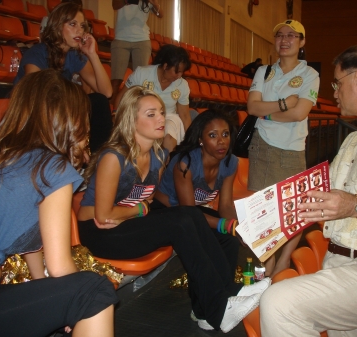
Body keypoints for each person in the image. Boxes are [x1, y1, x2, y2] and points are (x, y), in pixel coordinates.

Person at [77, 86, 270, 333]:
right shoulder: (113, 158)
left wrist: (144, 210)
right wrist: (141, 209)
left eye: (160, 112)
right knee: (180, 222)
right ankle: (220, 307)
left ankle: (220, 301)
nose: (161, 119)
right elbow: (103, 217)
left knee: (191, 217)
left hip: (127, 226)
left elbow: (151, 203)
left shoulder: (158, 156)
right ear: (131, 120)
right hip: (99, 234)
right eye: (151, 114)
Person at [260, 44, 357, 337]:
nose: (334, 92)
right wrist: (271, 236)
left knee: (279, 304)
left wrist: (355, 205)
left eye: (337, 83)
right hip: (338, 265)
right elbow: (317, 202)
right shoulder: (354, 139)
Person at [0, 69, 118, 337]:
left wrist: (48, 292)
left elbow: (29, 237)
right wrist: (71, 300)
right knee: (93, 290)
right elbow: (61, 268)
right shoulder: (53, 168)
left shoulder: (6, 157)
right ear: (70, 119)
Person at [247, 19, 320, 278]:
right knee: (262, 214)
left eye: (292, 35)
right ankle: (267, 264)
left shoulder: (310, 74)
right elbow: (252, 108)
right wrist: (283, 103)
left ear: (302, 42)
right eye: (280, 35)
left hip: (291, 150)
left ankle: (282, 262)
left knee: (292, 210)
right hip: (262, 147)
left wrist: (268, 112)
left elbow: (299, 113)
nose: (285, 40)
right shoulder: (264, 71)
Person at [154, 109, 241, 282]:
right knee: (205, 240)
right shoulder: (185, 163)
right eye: (213, 135)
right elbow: (190, 212)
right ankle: (205, 303)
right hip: (164, 210)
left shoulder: (230, 162)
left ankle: (227, 294)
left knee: (230, 241)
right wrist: (226, 225)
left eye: (225, 134)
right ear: (201, 140)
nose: (221, 141)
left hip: (191, 211)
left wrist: (237, 227)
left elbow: (225, 205)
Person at [16, 2, 113, 154]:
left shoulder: (73, 55)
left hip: (60, 111)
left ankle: (99, 161)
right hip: (31, 112)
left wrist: (92, 54)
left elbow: (106, 92)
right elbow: (36, 97)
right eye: (72, 24)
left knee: (98, 102)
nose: (79, 31)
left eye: (82, 26)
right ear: (57, 25)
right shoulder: (37, 54)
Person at [113, 44, 192, 152]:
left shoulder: (182, 85)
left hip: (168, 117)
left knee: (168, 137)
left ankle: (166, 164)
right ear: (165, 66)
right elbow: (123, 96)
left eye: (182, 72)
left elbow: (185, 115)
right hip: (142, 115)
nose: (179, 75)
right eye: (177, 71)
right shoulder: (142, 73)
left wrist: (191, 140)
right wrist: (115, 114)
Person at [110, 0, 163, 104]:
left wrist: (155, 4)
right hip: (121, 38)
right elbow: (114, 5)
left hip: (142, 39)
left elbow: (160, 14)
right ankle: (111, 112)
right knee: (116, 80)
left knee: (141, 81)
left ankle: (136, 109)